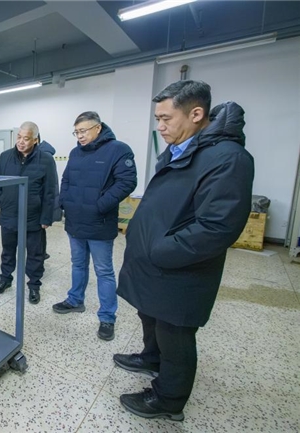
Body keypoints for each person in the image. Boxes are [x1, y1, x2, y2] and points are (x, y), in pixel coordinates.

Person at [114, 81, 254, 421]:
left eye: (166, 119)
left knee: (174, 332)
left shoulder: (228, 158)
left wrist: (162, 250)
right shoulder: (181, 148)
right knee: (150, 315)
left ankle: (168, 399)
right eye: (157, 119)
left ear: (196, 114)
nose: (160, 127)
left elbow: (217, 226)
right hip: (155, 260)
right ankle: (152, 358)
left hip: (180, 266)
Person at [52, 112, 137, 342]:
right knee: (78, 264)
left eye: (83, 131)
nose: (79, 136)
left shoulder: (118, 150)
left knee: (104, 271)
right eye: (76, 132)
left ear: (98, 128)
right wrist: (64, 202)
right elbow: (66, 179)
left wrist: (100, 205)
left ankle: (107, 316)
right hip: (75, 221)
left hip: (100, 222)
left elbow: (127, 182)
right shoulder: (75, 152)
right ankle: (75, 300)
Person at [0, 121, 56, 304]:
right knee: (7, 251)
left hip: (33, 218)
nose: (21, 142)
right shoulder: (5, 157)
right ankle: (5, 279)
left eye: (26, 138)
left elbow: (50, 191)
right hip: (9, 215)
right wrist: (0, 201)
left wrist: (46, 217)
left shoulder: (46, 160)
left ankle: (34, 286)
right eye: (18, 137)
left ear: (35, 140)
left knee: (35, 254)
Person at [37, 138, 62, 261]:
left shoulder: (44, 156)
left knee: (39, 231)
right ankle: (41, 253)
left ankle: (41, 253)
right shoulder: (41, 154)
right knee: (39, 231)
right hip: (39, 201)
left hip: (41, 201)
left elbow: (50, 186)